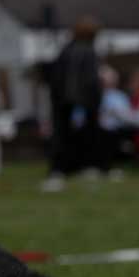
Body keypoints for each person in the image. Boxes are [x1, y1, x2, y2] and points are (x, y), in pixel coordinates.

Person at [43, 16, 104, 190]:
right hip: (83, 100)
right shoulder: (88, 51)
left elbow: (56, 77)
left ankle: (60, 168)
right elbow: (91, 79)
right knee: (88, 134)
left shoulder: (66, 50)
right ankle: (87, 165)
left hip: (61, 100)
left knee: (62, 134)